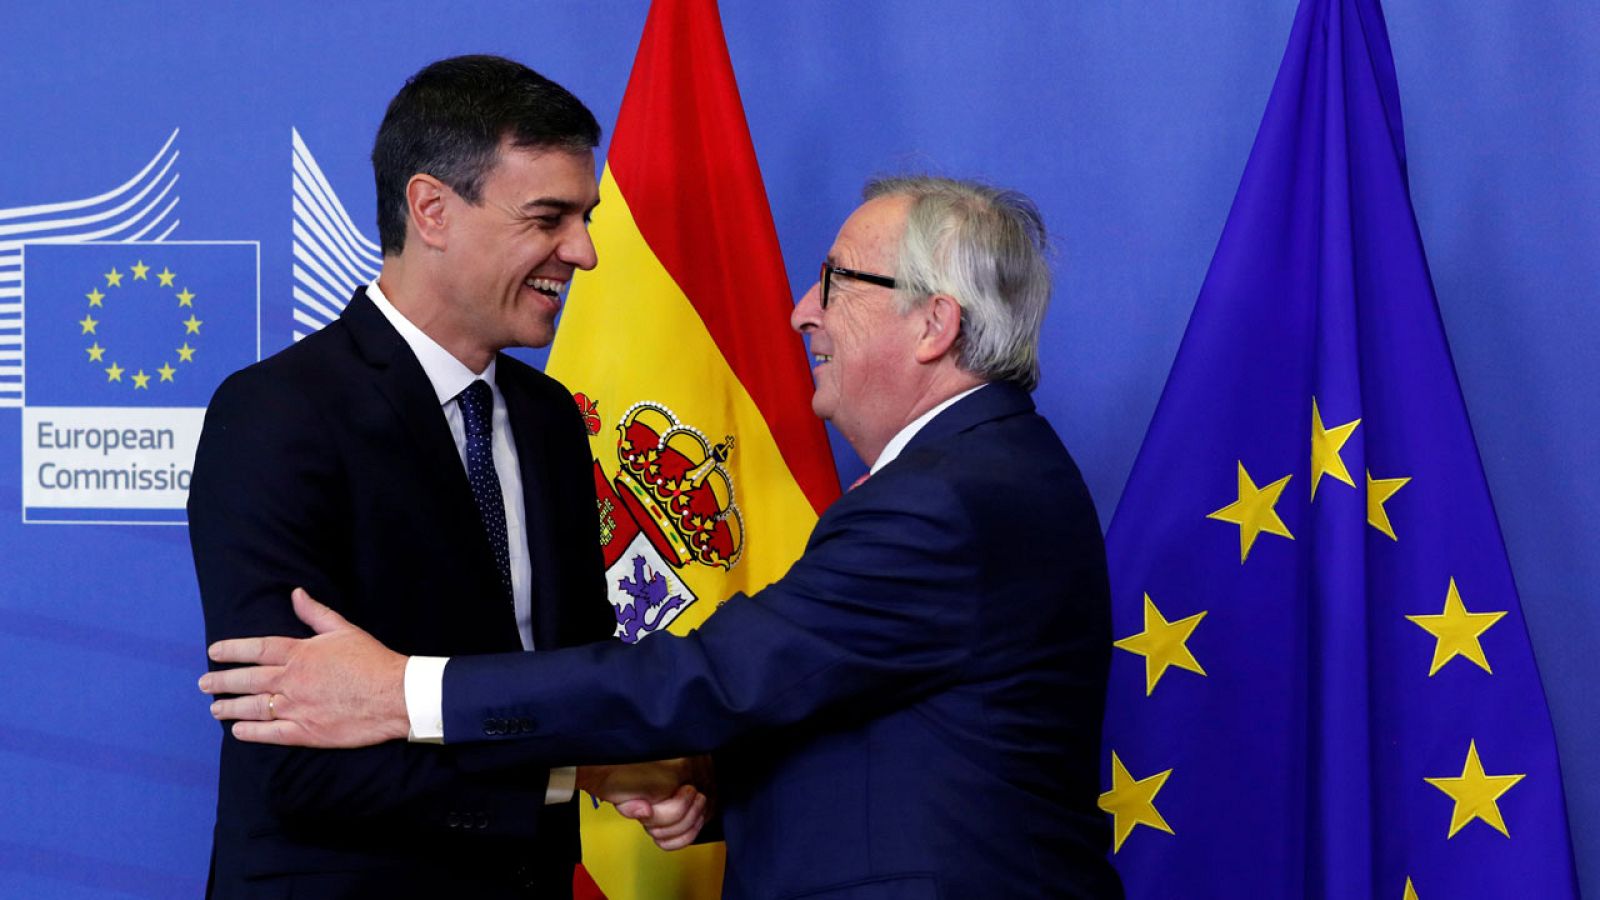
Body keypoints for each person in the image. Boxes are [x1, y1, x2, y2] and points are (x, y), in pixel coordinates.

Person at [203, 176, 1124, 898]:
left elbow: (712, 678)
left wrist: (400, 690)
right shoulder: (978, 474)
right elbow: (857, 715)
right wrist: (684, 779)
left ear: (934, 323)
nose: (803, 308)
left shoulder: (949, 501)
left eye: (838, 281)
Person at [190, 55, 692, 899]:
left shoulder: (549, 418)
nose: (585, 252)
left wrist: (645, 758)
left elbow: (574, 668)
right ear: (431, 209)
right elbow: (291, 753)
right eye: (548, 218)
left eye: (585, 216)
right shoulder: (278, 414)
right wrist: (574, 772)